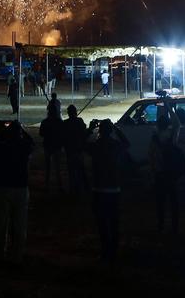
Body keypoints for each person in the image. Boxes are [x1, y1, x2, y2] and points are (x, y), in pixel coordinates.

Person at [0, 119, 34, 263]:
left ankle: (0, 253)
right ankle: (17, 255)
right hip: (21, 188)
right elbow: (32, 142)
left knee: (1, 223)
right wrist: (21, 129)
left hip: (2, 188)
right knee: (20, 224)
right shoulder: (24, 147)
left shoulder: (0, 148)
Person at [85, 118, 129, 262]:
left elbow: (81, 144)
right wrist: (117, 129)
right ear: (110, 131)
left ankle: (105, 251)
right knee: (114, 222)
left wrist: (90, 128)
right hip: (114, 188)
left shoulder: (96, 146)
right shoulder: (116, 145)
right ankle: (114, 251)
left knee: (102, 223)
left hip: (99, 188)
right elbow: (127, 144)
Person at [148, 107, 185, 233]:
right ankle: (175, 227)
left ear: (158, 125)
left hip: (160, 174)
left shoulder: (154, 139)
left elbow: (151, 158)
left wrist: (152, 174)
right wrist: (169, 106)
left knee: (160, 203)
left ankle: (161, 226)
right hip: (172, 174)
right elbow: (178, 124)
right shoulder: (172, 138)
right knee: (174, 202)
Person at [63, 104, 89, 193]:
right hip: (78, 149)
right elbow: (84, 131)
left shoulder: (65, 123)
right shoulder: (79, 121)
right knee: (81, 169)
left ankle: (73, 188)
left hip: (70, 150)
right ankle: (84, 187)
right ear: (75, 112)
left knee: (72, 170)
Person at [39, 103, 65, 192]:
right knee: (57, 166)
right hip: (57, 145)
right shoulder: (59, 122)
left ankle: (47, 184)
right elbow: (63, 134)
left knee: (48, 166)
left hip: (48, 145)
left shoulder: (45, 122)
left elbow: (41, 133)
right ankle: (59, 185)